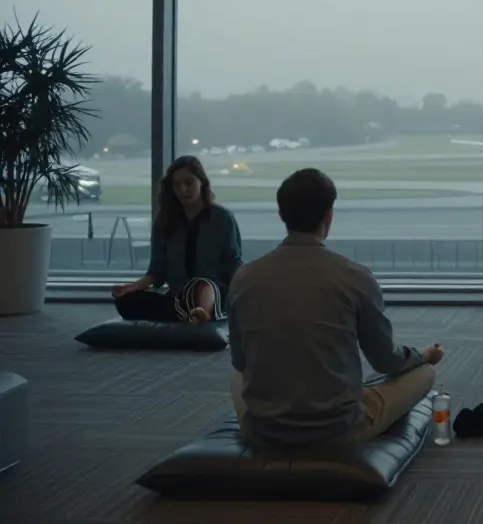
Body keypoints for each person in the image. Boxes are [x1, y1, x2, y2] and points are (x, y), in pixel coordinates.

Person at [227, 168, 441, 449]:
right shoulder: (354, 276)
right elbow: (386, 361)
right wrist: (422, 355)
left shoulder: (244, 277)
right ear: (329, 215)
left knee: (235, 374)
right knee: (425, 373)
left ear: (282, 215)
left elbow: (241, 362)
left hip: (264, 430)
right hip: (337, 429)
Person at [110, 156, 242, 323]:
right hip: (177, 296)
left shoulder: (222, 218)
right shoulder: (165, 220)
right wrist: (132, 287)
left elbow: (233, 262)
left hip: (214, 293)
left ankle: (202, 312)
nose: (183, 189)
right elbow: (157, 271)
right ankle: (186, 313)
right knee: (126, 302)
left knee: (202, 284)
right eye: (176, 185)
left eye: (189, 183)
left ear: (201, 182)